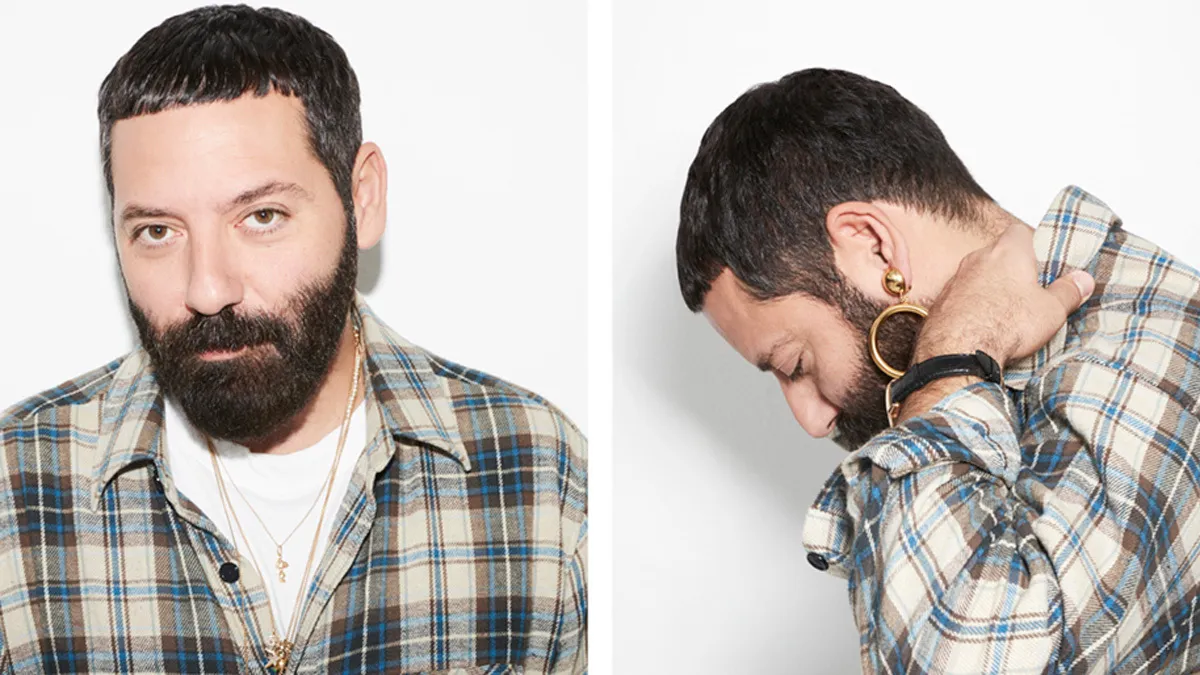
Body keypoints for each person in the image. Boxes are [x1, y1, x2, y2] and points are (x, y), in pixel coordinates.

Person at [0, 6, 586, 674]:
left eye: (262, 216)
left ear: (361, 199)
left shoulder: (538, 479)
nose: (208, 288)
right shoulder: (18, 489)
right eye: (158, 230)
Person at [676, 68, 1200, 673]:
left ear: (873, 247)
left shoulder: (1142, 357)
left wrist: (949, 357)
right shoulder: (1014, 387)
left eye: (797, 364)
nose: (811, 420)